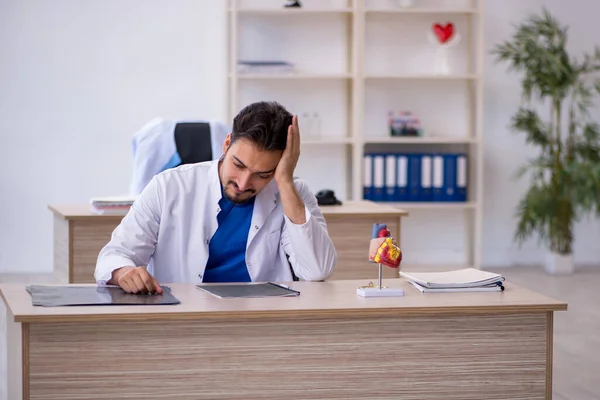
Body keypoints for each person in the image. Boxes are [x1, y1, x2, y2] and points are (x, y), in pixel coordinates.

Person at [94, 101, 338, 294]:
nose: (243, 184)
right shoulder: (168, 186)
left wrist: (284, 181)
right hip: (184, 319)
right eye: (238, 165)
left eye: (262, 174)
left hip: (264, 321)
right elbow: (115, 254)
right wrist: (122, 271)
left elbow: (317, 270)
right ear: (227, 144)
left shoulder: (291, 192)